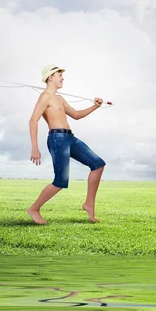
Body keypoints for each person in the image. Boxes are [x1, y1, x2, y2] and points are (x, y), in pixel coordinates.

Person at [27, 64, 106, 224]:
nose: (63, 78)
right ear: (50, 77)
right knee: (61, 181)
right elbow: (33, 120)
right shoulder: (45, 97)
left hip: (70, 138)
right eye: (59, 75)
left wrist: (95, 106)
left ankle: (89, 204)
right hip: (57, 139)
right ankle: (34, 209)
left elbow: (76, 115)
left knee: (98, 165)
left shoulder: (60, 99)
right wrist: (34, 147)